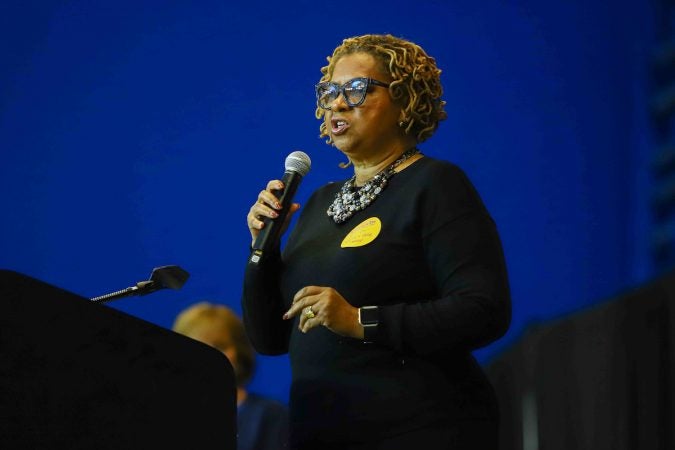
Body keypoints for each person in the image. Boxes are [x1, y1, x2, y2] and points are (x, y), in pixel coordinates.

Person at [243, 34, 511, 450]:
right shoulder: (317, 202)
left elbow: (484, 310)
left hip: (419, 429)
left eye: (356, 89)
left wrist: (359, 320)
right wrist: (262, 248)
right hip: (324, 434)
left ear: (405, 101)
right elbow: (270, 340)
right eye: (329, 91)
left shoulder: (434, 185)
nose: (337, 102)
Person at [172, 302, 289, 450]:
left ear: (239, 351)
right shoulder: (170, 418)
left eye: (219, 347)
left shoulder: (271, 416)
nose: (210, 358)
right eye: (200, 348)